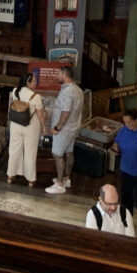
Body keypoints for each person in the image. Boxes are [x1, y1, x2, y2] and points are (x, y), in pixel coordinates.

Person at [46, 66, 82, 194]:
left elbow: (66, 112)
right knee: (69, 153)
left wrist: (57, 127)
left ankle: (60, 184)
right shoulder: (78, 89)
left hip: (64, 130)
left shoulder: (67, 91)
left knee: (57, 154)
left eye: (58, 74)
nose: (57, 76)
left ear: (64, 74)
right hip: (73, 128)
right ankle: (66, 178)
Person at [6, 73, 46, 187]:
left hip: (15, 125)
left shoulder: (15, 91)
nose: (35, 83)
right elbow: (40, 115)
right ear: (27, 83)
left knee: (14, 150)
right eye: (33, 81)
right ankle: (30, 179)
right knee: (30, 152)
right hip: (31, 128)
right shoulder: (36, 97)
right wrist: (44, 127)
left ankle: (10, 175)